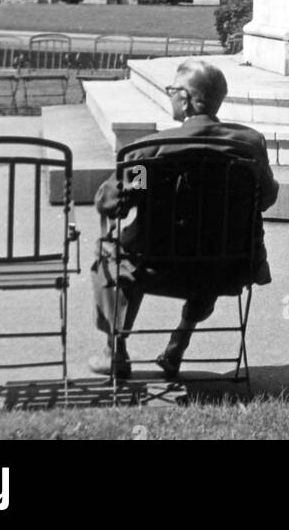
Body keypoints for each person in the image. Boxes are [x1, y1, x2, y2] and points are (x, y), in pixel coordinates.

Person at [90, 60, 279, 379]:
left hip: (156, 266)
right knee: (210, 243)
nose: (170, 96)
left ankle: (116, 350)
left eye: (172, 90)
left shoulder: (151, 153)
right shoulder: (249, 147)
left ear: (188, 99)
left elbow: (113, 204)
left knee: (113, 256)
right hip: (228, 265)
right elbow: (266, 198)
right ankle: (179, 343)